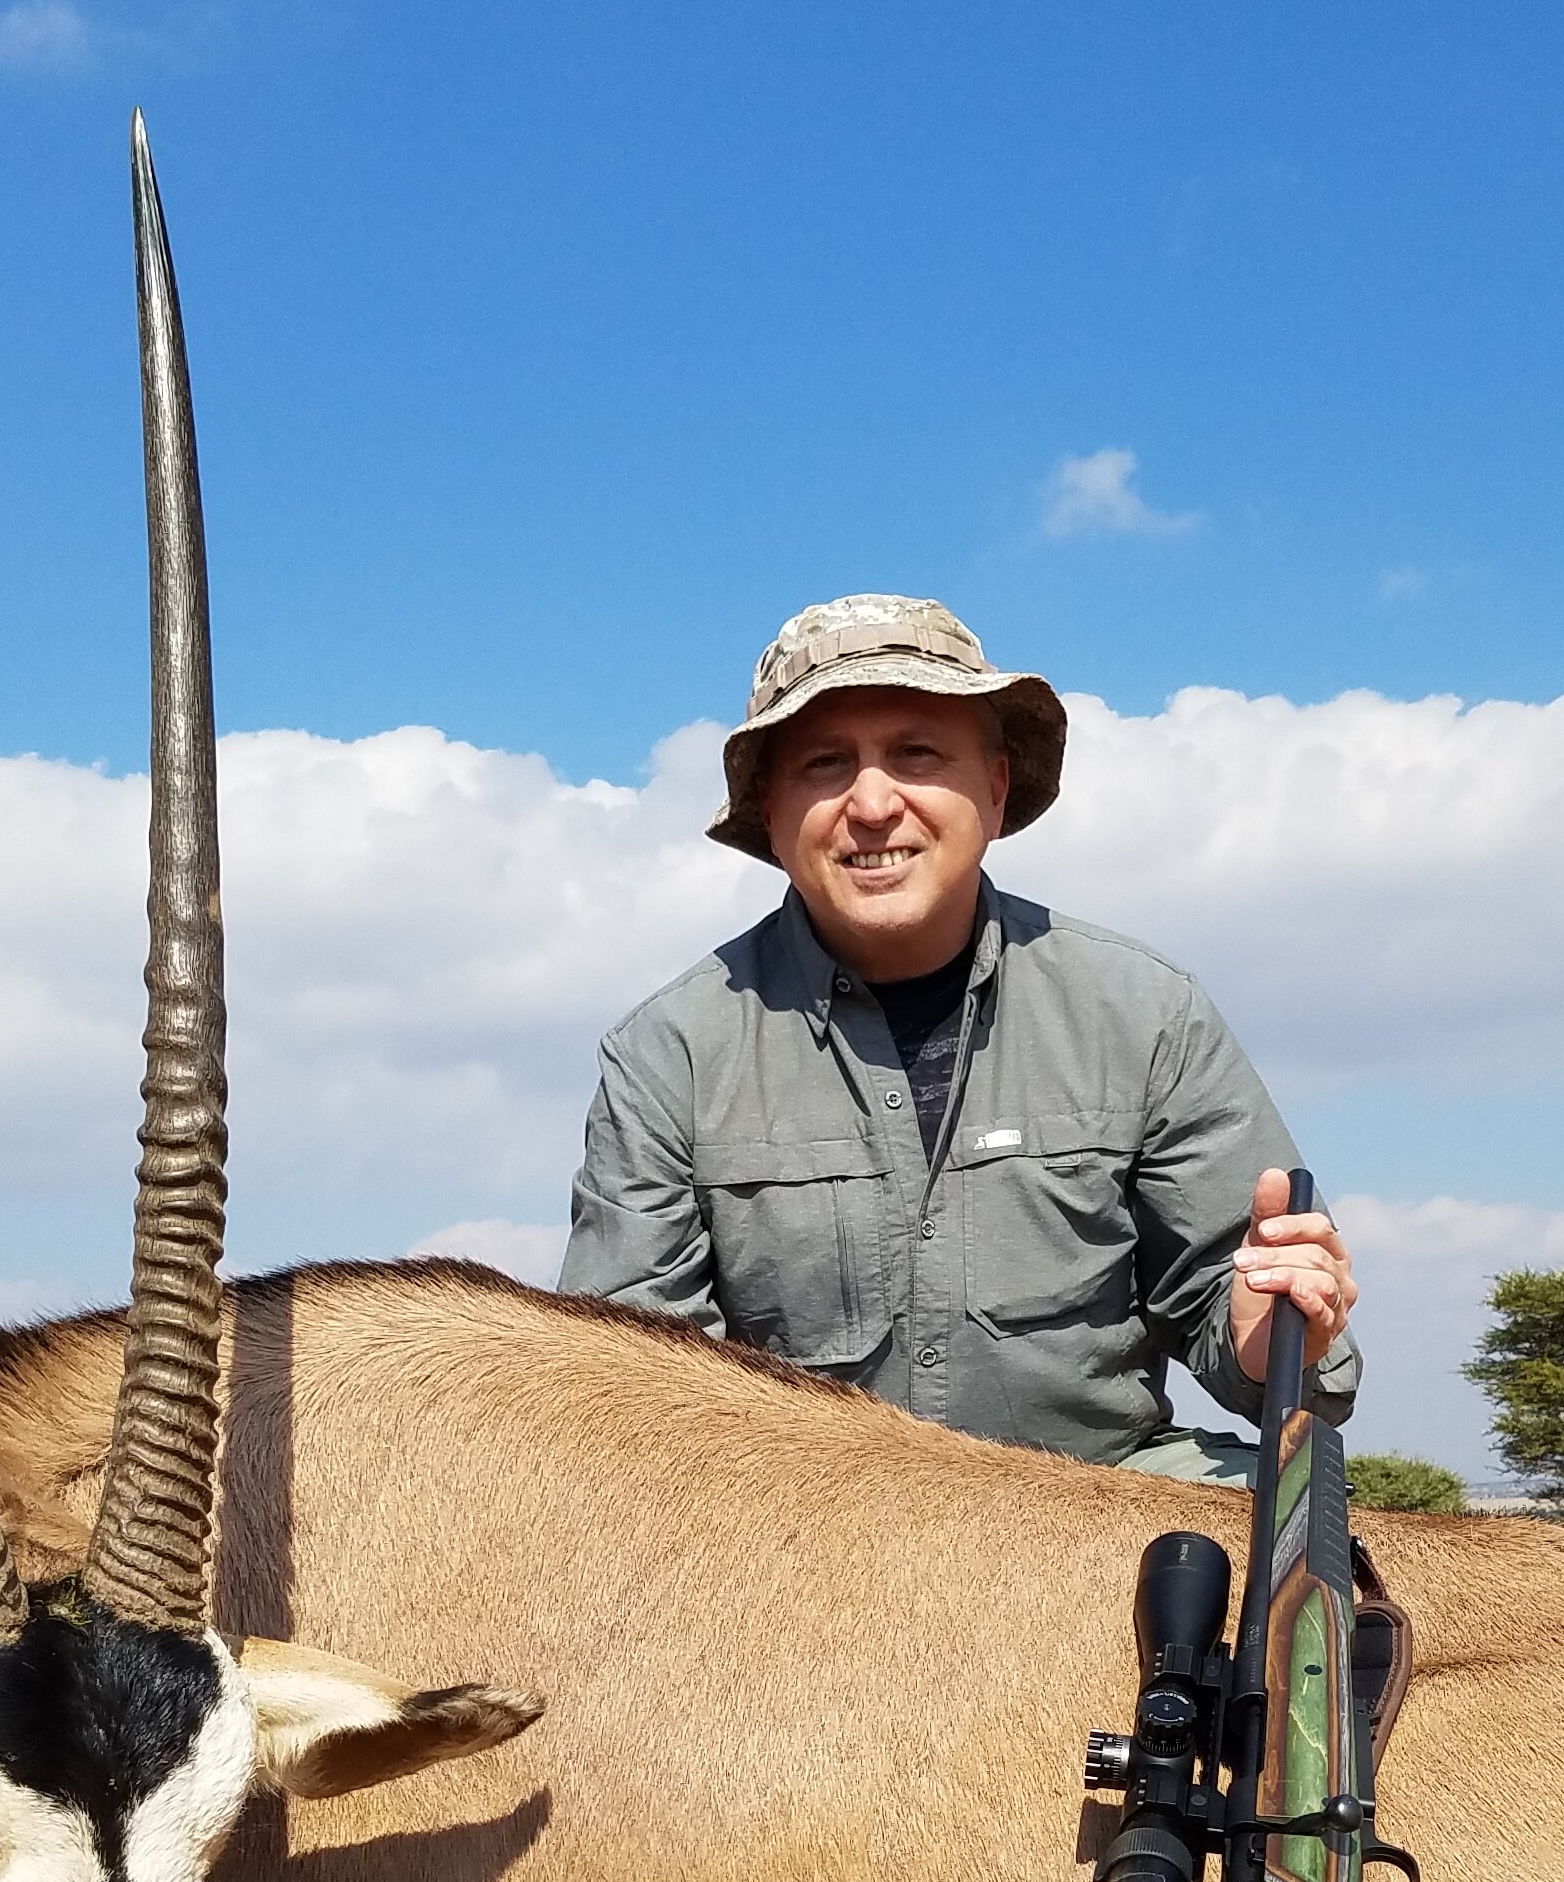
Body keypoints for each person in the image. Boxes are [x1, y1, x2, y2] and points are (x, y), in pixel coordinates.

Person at [560, 593, 1356, 1480]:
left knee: (1317, 1544)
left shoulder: (1147, 1013)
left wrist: (1265, 1332)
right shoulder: (667, 1053)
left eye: (917, 753)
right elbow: (625, 1394)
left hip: (1091, 1504)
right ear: (772, 818)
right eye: (824, 764)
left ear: (996, 786)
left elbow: (1261, 1350)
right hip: (796, 1534)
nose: (871, 803)